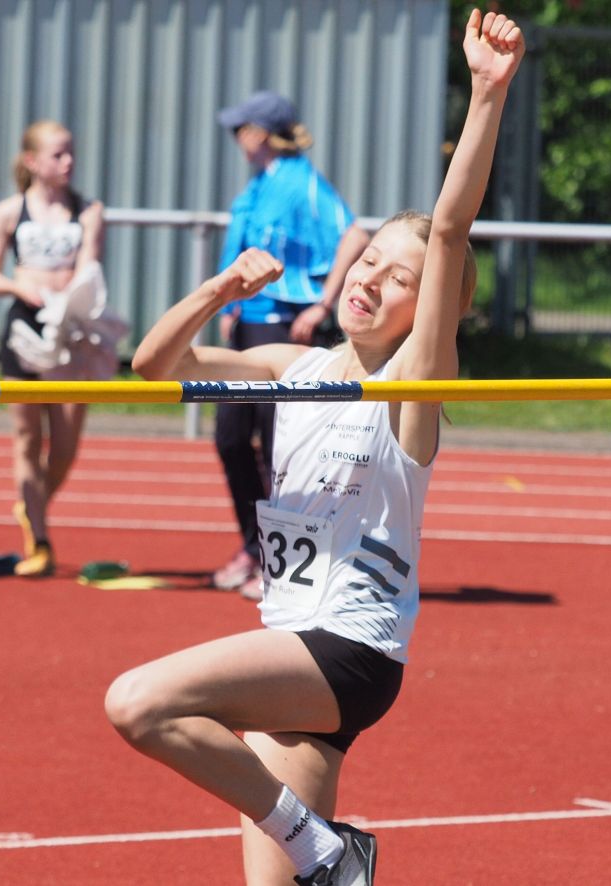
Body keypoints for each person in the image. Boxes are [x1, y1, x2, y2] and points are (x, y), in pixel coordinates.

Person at [106, 10, 524, 885]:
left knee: (139, 701)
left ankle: (326, 847)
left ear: (429, 310)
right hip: (289, 646)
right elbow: (153, 365)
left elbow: (449, 231)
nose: (371, 278)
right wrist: (223, 285)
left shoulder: (413, 384)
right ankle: (324, 850)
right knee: (280, 881)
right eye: (369, 258)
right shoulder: (291, 364)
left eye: (398, 277)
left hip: (347, 648)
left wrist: (487, 93)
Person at [212, 90, 370, 599]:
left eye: (241, 129)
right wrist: (232, 307)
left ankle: (280, 557)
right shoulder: (260, 184)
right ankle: (253, 544)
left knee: (279, 447)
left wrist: (322, 304)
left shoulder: (303, 183)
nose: (237, 139)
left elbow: (354, 234)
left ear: (260, 133)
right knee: (231, 438)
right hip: (250, 326)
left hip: (283, 328)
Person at [0, 120, 105, 577]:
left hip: (69, 331)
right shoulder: (11, 211)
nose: (68, 162)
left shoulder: (87, 210)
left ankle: (32, 508)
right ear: (32, 161)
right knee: (28, 438)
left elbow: (90, 265)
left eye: (70, 153)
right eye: (57, 155)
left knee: (66, 446)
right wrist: (20, 287)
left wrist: (73, 297)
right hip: (25, 330)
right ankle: (41, 539)